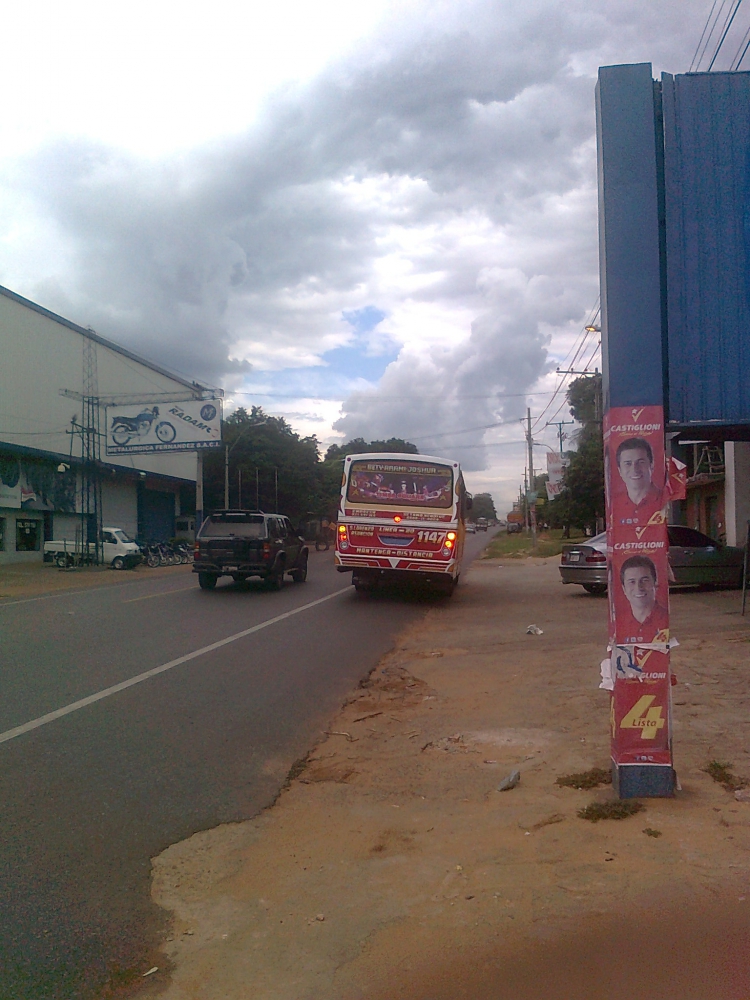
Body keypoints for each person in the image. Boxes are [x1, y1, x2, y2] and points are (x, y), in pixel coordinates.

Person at [618, 554, 669, 643]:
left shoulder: (666, 619)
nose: (638, 587)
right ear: (624, 589)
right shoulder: (618, 625)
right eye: (632, 582)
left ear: (655, 584)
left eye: (644, 580)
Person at [614, 437, 665, 525]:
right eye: (628, 463)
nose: (635, 469)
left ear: (651, 466)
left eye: (641, 462)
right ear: (620, 471)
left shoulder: (665, 500)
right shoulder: (614, 506)